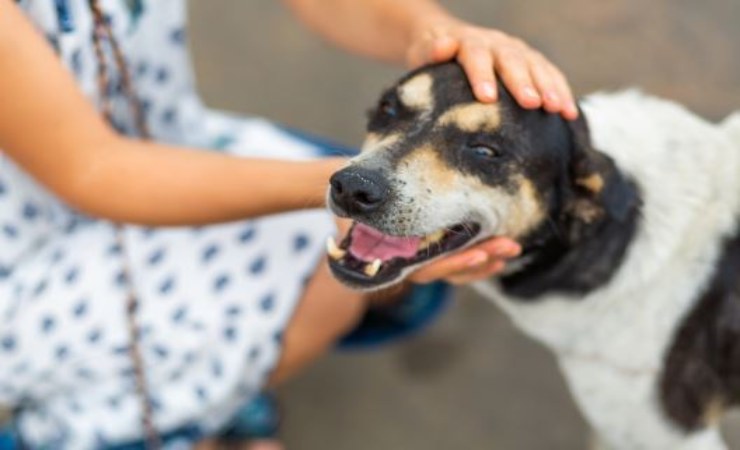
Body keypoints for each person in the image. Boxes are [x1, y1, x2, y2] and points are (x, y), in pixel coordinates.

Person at [0, 0, 577, 449]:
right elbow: (96, 170)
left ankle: (218, 378)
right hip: (28, 243)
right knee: (343, 270)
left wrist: (431, 30)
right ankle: (89, 428)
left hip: (168, 140)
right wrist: (364, 187)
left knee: (373, 248)